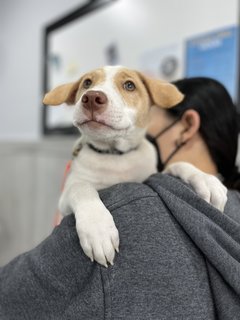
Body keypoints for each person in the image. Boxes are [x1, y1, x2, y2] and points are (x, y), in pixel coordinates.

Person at [0, 77, 240, 320]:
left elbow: (12, 295)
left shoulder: (127, 208)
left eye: (150, 133)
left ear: (187, 126)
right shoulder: (231, 205)